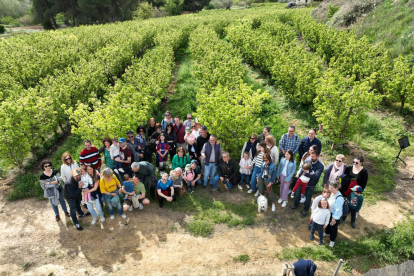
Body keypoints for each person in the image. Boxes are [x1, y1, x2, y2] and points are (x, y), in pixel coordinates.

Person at [290, 151, 324, 217]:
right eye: (311, 156)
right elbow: (301, 169)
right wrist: (298, 173)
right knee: (298, 193)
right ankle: (295, 204)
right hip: (302, 182)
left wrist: (305, 174)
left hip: (311, 184)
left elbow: (316, 176)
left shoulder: (320, 166)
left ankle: (305, 210)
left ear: (318, 157)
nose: (311, 158)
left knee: (308, 197)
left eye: (313, 156)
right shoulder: (307, 161)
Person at [324, 181, 344, 247]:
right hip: (329, 213)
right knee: (327, 224)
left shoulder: (339, 198)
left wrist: (334, 218)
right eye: (329, 187)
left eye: (331, 188)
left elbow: (338, 210)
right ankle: (327, 233)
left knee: (333, 228)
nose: (329, 189)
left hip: (334, 215)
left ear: (337, 188)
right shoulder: (331, 193)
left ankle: (332, 240)